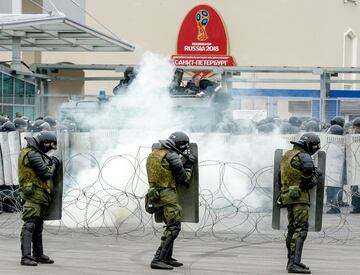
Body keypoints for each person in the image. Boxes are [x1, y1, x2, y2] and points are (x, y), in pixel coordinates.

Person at [146, 131, 195, 270]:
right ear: (179, 144)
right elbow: (184, 178)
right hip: (168, 195)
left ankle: (167, 257)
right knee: (174, 227)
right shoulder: (172, 156)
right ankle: (158, 259)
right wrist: (189, 164)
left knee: (170, 225)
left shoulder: (155, 153)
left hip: (155, 194)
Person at [280, 133, 322, 274]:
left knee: (293, 229)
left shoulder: (287, 155)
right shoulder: (303, 156)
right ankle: (294, 263)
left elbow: (280, 177)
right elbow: (308, 175)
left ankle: (291, 261)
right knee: (301, 229)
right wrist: (315, 176)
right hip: (299, 197)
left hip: (287, 195)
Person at [18, 131, 59, 266]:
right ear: (44, 143)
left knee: (37, 225)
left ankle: (38, 254)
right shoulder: (32, 153)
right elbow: (46, 173)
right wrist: (53, 164)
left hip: (39, 194)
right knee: (30, 224)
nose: (49, 149)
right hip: (34, 194)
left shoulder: (32, 152)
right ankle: (26, 257)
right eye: (49, 146)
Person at [350, 117, 360, 213]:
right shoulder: (354, 138)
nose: (355, 130)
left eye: (357, 128)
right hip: (355, 166)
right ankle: (356, 206)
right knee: (354, 187)